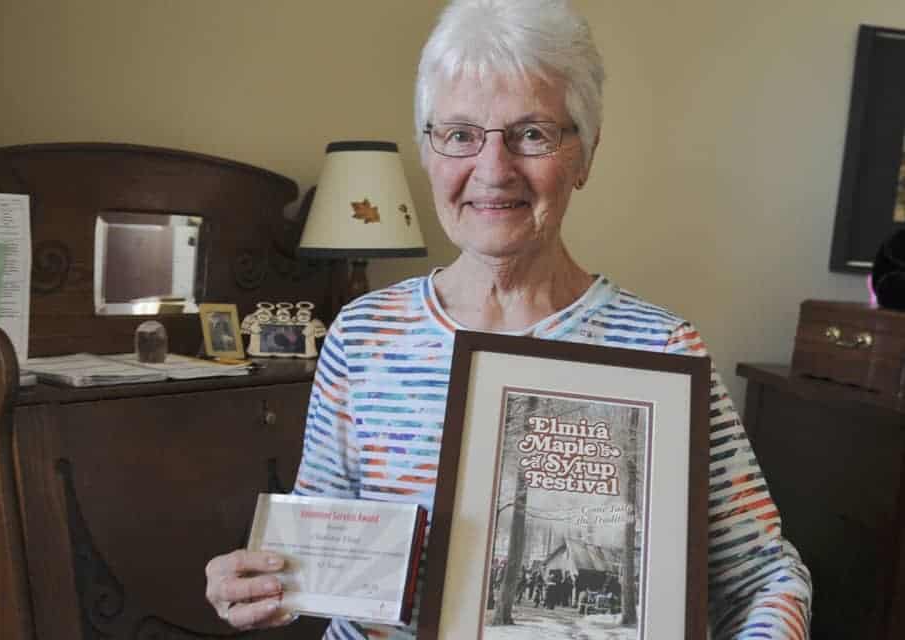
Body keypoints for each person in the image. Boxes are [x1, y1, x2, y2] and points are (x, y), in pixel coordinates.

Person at [204, 1, 813, 638]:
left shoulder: (661, 349)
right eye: (461, 134)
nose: (493, 170)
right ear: (428, 150)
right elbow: (317, 552)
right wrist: (260, 578)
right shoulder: (363, 334)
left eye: (533, 133)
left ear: (585, 155)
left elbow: (764, 574)